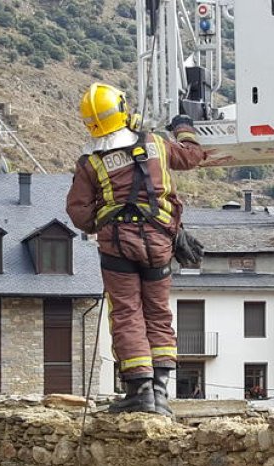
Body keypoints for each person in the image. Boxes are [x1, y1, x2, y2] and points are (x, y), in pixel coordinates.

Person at [66, 83, 205, 415]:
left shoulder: (91, 162)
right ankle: (160, 393)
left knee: (127, 312)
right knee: (158, 312)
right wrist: (184, 127)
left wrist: (102, 220)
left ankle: (139, 391)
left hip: (118, 248)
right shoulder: (156, 144)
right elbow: (191, 155)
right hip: (160, 245)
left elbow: (79, 212)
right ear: (123, 110)